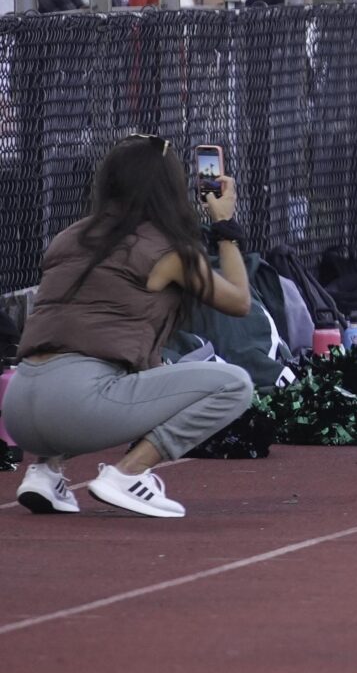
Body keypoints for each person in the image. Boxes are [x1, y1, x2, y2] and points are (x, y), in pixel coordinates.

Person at [7, 135, 257, 518]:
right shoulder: (170, 251)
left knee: (149, 372)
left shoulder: (68, 237)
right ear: (170, 188)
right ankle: (127, 475)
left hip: (19, 406)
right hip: (78, 405)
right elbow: (240, 302)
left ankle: (45, 471)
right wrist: (225, 226)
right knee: (233, 383)